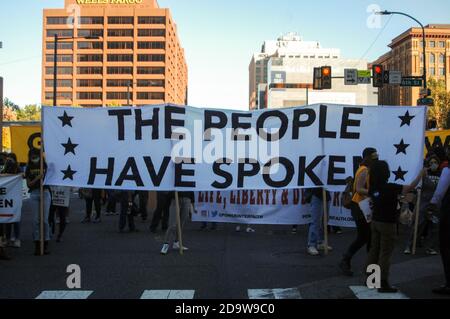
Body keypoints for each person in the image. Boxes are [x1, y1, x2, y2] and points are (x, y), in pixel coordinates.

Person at [366, 161, 425, 293]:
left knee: (374, 250)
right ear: (386, 172)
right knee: (385, 253)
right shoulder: (391, 187)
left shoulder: (373, 188)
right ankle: (383, 283)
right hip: (388, 223)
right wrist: (420, 175)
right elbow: (409, 187)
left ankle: (371, 280)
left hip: (375, 222)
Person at [339, 148, 378, 276]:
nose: (376, 158)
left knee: (368, 237)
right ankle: (347, 260)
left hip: (363, 206)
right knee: (365, 236)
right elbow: (359, 189)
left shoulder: (365, 169)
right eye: (373, 156)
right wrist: (373, 192)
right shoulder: (364, 170)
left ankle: (369, 266)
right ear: (367, 157)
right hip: (359, 206)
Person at [404, 155, 441, 255]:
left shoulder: (442, 174)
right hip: (423, 203)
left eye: (435, 162)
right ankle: (409, 245)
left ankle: (430, 247)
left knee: (434, 226)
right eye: (431, 163)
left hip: (436, 204)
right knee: (417, 224)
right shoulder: (424, 174)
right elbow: (416, 186)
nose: (433, 164)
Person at [428, 146, 450, 295]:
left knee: (447, 247)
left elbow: (440, 191)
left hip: (449, 212)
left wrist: (432, 205)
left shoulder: (447, 170)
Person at [25, 148, 51, 256]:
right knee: (35, 220)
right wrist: (37, 178)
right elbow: (28, 185)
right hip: (34, 193)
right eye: (32, 156)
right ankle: (37, 244)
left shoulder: (46, 166)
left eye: (36, 155)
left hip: (45, 192)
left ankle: (45, 244)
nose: (34, 158)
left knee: (44, 220)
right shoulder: (28, 168)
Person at [1, 153, 22, 248]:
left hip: (15, 197)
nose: (9, 162)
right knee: (8, 219)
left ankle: (17, 238)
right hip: (7, 197)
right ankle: (8, 238)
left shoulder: (18, 169)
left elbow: (22, 176)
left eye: (11, 160)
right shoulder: (4, 169)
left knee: (16, 218)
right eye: (8, 160)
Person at [306, 188, 332, 256]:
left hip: (326, 195)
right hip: (316, 194)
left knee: (324, 220)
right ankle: (311, 245)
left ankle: (320, 242)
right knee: (316, 221)